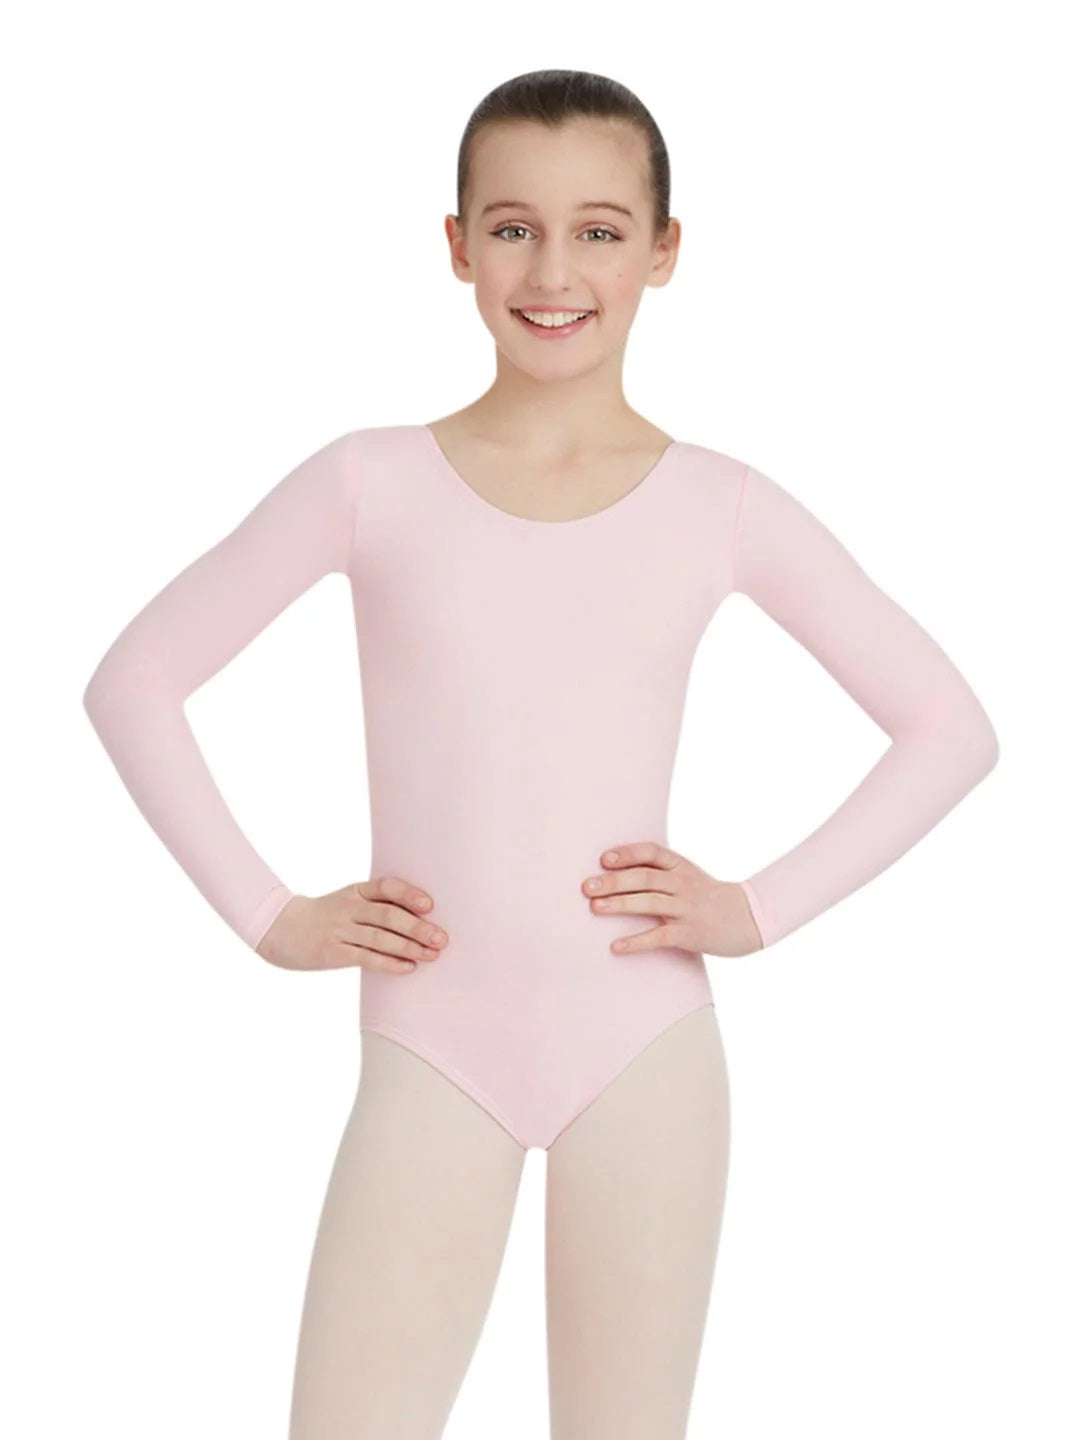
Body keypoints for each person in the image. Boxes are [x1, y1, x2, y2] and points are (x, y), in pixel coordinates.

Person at [81, 67, 999, 1440]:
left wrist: (756, 908)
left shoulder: (722, 505)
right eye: (513, 228)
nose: (554, 270)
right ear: (457, 246)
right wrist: (270, 915)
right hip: (431, 1041)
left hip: (644, 1048)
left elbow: (949, 728)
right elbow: (135, 680)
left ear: (664, 250)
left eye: (599, 230)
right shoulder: (369, 481)